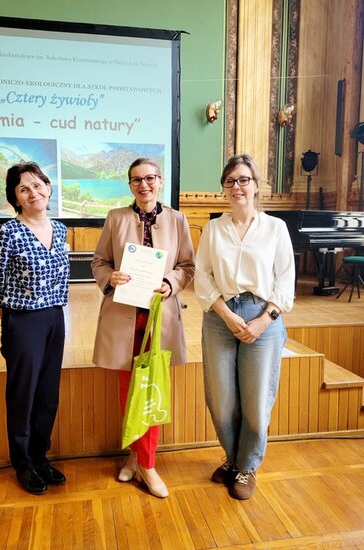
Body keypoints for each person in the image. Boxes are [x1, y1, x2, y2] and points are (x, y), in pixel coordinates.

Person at [92, 157, 195, 498]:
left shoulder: (178, 219)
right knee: (129, 393)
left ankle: (146, 464)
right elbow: (99, 262)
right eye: (136, 180)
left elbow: (187, 266)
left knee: (152, 391)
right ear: (130, 185)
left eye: (150, 178)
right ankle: (137, 457)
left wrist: (170, 283)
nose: (144, 185)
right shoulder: (116, 218)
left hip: (159, 319)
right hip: (124, 318)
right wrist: (110, 277)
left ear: (160, 181)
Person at [194, 154, 295, 500]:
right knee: (221, 399)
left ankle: (246, 466)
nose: (236, 186)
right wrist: (226, 315)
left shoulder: (275, 228)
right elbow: (203, 277)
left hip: (262, 314)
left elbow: (285, 280)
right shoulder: (213, 229)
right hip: (220, 315)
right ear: (224, 188)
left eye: (243, 180)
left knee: (256, 399)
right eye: (230, 181)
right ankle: (233, 458)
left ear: (256, 185)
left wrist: (264, 320)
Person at [0, 161, 70, 495]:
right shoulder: (9, 232)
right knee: (23, 394)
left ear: (48, 188)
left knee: (48, 394)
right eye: (24, 189)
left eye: (37, 185)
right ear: (15, 198)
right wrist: (14, 323)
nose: (33, 192)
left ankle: (40, 456)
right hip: (23, 321)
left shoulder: (60, 230)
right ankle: (22, 463)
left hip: (55, 318)